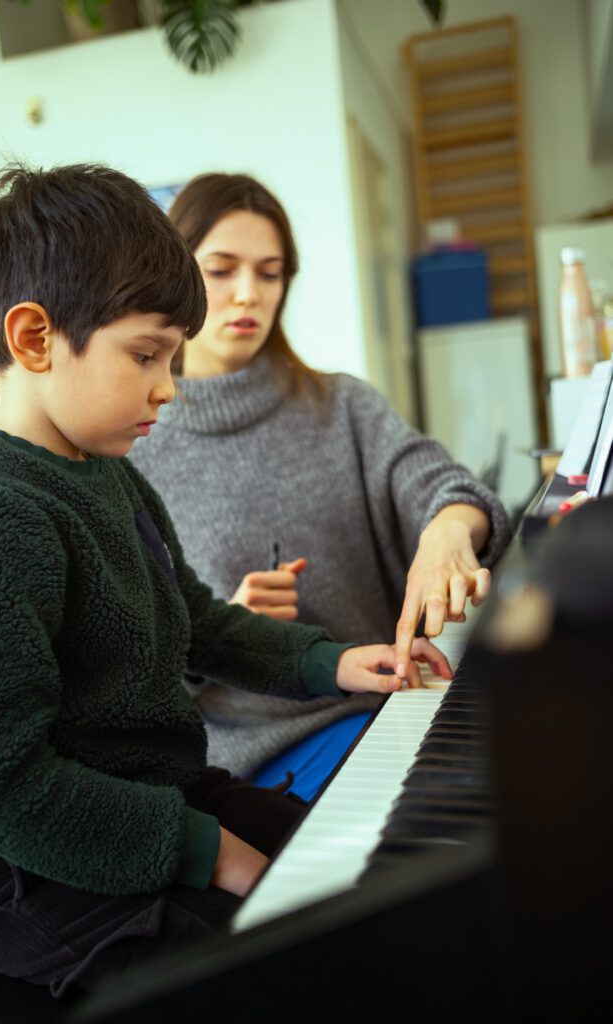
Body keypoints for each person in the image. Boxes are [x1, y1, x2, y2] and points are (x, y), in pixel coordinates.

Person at [0, 162, 450, 998]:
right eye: (146, 355)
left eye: (171, 357)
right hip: (26, 868)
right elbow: (3, 789)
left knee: (361, 871)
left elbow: (198, 620)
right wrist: (207, 851)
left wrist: (335, 662)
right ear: (33, 339)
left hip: (155, 791)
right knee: (267, 965)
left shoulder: (107, 471)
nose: (169, 387)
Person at [129, 172, 513, 800]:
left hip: (404, 704)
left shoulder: (341, 405)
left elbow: (447, 488)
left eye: (270, 272)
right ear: (179, 274)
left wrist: (448, 530)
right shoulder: (135, 445)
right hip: (272, 753)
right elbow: (132, 677)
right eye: (222, 270)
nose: (248, 294)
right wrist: (225, 632)